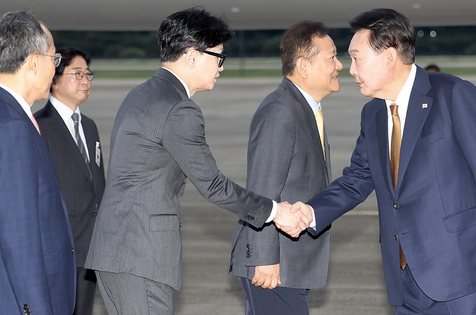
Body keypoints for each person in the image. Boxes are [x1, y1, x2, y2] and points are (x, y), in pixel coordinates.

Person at [292, 8, 476, 314]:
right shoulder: (373, 114)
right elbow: (357, 179)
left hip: (465, 272)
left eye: (356, 58)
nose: (350, 69)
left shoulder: (453, 94)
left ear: (388, 57)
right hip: (406, 277)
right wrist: (310, 211)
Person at [84, 7, 310, 315]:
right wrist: (275, 211)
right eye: (218, 57)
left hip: (117, 252)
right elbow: (213, 185)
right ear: (192, 56)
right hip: (141, 256)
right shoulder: (179, 109)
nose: (220, 67)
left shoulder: (141, 93)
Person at [229, 21, 342, 315]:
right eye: (331, 57)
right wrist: (264, 258)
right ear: (304, 66)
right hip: (275, 266)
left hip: (291, 263)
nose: (339, 65)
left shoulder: (305, 108)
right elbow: (262, 189)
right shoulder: (280, 111)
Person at [0, 11, 76, 315]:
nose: (54, 70)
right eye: (53, 59)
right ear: (33, 62)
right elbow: (19, 237)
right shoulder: (12, 127)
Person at [34, 47, 105, 315]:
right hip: (60, 250)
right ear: (54, 79)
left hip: (92, 248)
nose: (85, 81)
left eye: (88, 74)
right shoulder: (39, 126)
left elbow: (97, 185)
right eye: (77, 74)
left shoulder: (89, 126)